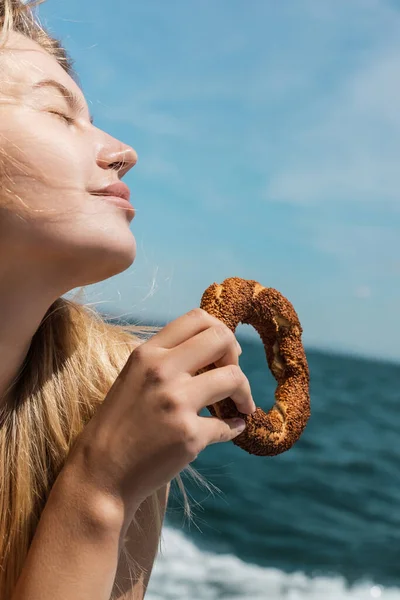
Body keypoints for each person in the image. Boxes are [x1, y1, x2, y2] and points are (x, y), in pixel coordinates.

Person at [0, 1, 256, 598]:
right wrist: (96, 492)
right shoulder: (109, 450)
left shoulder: (100, 406)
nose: (123, 150)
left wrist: (108, 480)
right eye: (59, 112)